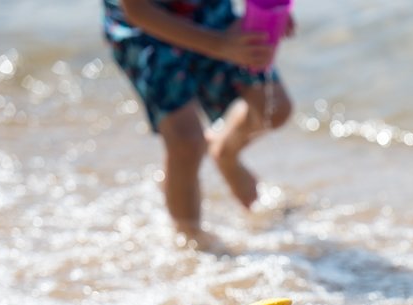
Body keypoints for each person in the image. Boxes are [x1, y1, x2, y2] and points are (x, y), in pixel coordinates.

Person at [102, 0, 294, 245]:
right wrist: (220, 45)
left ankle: (225, 151)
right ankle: (192, 242)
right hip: (147, 26)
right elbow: (137, 10)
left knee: (274, 108)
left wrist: (270, 12)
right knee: (186, 141)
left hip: (208, 11)